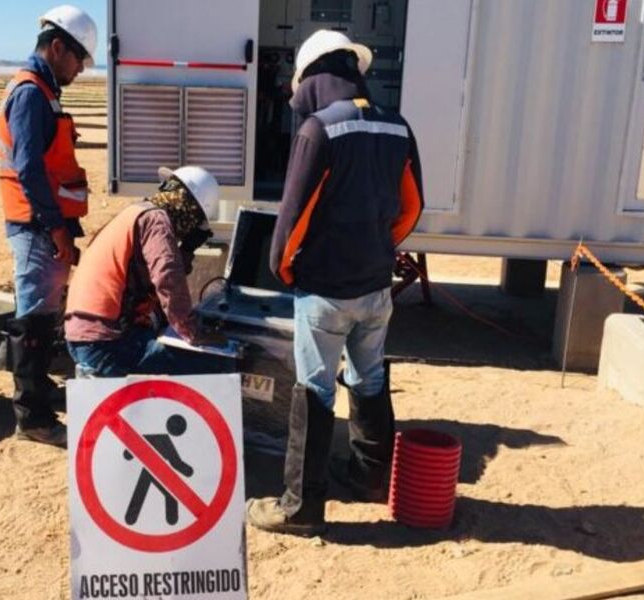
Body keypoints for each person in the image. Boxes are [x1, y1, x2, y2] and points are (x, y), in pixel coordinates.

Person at [246, 30, 424, 535]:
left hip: (324, 290)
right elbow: (412, 206)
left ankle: (300, 506)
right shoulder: (397, 126)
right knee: (369, 379)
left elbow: (292, 216)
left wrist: (285, 268)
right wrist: (377, 247)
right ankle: (369, 480)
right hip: (375, 287)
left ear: (315, 78)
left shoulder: (319, 130)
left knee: (314, 389)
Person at [0, 5, 97, 447]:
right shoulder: (31, 93)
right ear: (58, 48)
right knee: (34, 322)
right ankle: (33, 417)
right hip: (36, 226)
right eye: (79, 59)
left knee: (44, 312)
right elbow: (29, 170)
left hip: (43, 224)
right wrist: (55, 228)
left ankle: (40, 391)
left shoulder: (44, 91)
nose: (80, 69)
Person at [64, 166, 232, 377]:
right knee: (215, 362)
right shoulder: (156, 221)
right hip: (107, 343)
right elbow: (167, 277)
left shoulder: (137, 213)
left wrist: (186, 249)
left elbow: (151, 275)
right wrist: (192, 332)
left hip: (85, 337)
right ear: (189, 209)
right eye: (195, 220)